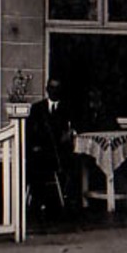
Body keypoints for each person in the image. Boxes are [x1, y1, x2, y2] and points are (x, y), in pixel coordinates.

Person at [27, 77, 76, 216]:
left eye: (57, 88)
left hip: (58, 152)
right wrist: (35, 146)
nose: (54, 91)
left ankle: (61, 202)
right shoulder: (37, 108)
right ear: (47, 89)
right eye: (51, 88)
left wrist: (69, 134)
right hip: (40, 151)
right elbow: (30, 132)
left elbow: (70, 129)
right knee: (36, 165)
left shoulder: (66, 109)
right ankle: (38, 201)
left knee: (68, 165)